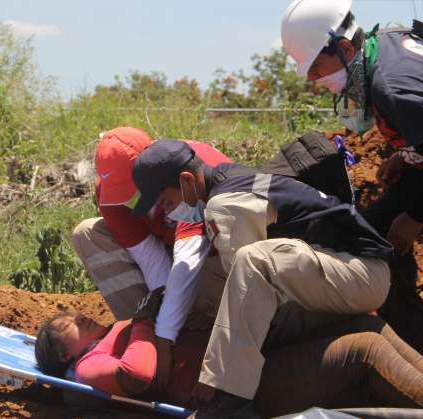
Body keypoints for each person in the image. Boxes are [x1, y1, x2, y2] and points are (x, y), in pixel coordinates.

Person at [129, 139, 393, 418]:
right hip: (351, 268)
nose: (168, 213)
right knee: (218, 273)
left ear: (186, 180)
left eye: (168, 202)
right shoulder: (230, 176)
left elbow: (245, 289)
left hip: (361, 275)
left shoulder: (223, 204)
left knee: (251, 263)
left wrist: (215, 374)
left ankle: (229, 395)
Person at [281, 0, 423, 351]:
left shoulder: (391, 88)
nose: (314, 80)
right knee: (371, 228)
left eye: (316, 67)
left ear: (344, 48)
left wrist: (415, 217)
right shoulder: (387, 43)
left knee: (392, 227)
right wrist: (405, 158)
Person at [71, 127, 230, 391]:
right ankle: (142, 340)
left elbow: (187, 261)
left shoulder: (185, 172)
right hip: (173, 254)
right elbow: (151, 260)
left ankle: (215, 338)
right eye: (118, 188)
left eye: (130, 186)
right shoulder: (110, 191)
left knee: (201, 278)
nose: (127, 196)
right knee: (87, 233)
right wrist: (160, 326)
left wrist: (167, 336)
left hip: (217, 258)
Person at [34, 311, 423, 417]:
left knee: (366, 324)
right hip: (239, 389)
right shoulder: (87, 368)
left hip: (247, 359)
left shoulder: (110, 337)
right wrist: (140, 321)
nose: (70, 318)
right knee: (364, 350)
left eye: (66, 314)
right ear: (64, 356)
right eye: (60, 329)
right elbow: (137, 374)